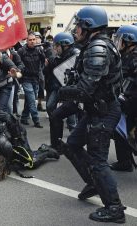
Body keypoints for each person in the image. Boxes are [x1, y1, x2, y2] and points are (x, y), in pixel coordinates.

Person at [58, 6, 125, 223]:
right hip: (95, 109)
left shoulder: (98, 48)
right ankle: (95, 183)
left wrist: (63, 90)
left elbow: (85, 89)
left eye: (78, 25)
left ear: (89, 26)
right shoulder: (92, 45)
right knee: (73, 144)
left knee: (98, 160)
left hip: (103, 112)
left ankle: (114, 208)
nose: (75, 29)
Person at [110, 25, 137, 172]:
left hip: (132, 101)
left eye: (121, 40)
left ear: (129, 42)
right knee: (121, 129)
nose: (118, 43)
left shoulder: (134, 57)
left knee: (123, 129)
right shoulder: (126, 56)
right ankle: (124, 161)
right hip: (129, 99)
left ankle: (125, 162)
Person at [46, 32, 80, 149]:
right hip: (66, 89)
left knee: (81, 121)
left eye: (56, 46)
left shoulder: (76, 55)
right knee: (55, 114)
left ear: (65, 45)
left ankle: (73, 141)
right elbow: (57, 69)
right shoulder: (63, 56)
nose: (55, 48)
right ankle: (56, 146)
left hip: (79, 94)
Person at [18, 31, 45, 128]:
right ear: (27, 41)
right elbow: (18, 63)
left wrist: (40, 71)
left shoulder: (39, 50)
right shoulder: (22, 51)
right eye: (30, 40)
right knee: (32, 99)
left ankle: (24, 117)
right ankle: (36, 120)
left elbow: (43, 61)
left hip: (36, 78)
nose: (32, 42)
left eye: (34, 39)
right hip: (26, 79)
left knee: (29, 100)